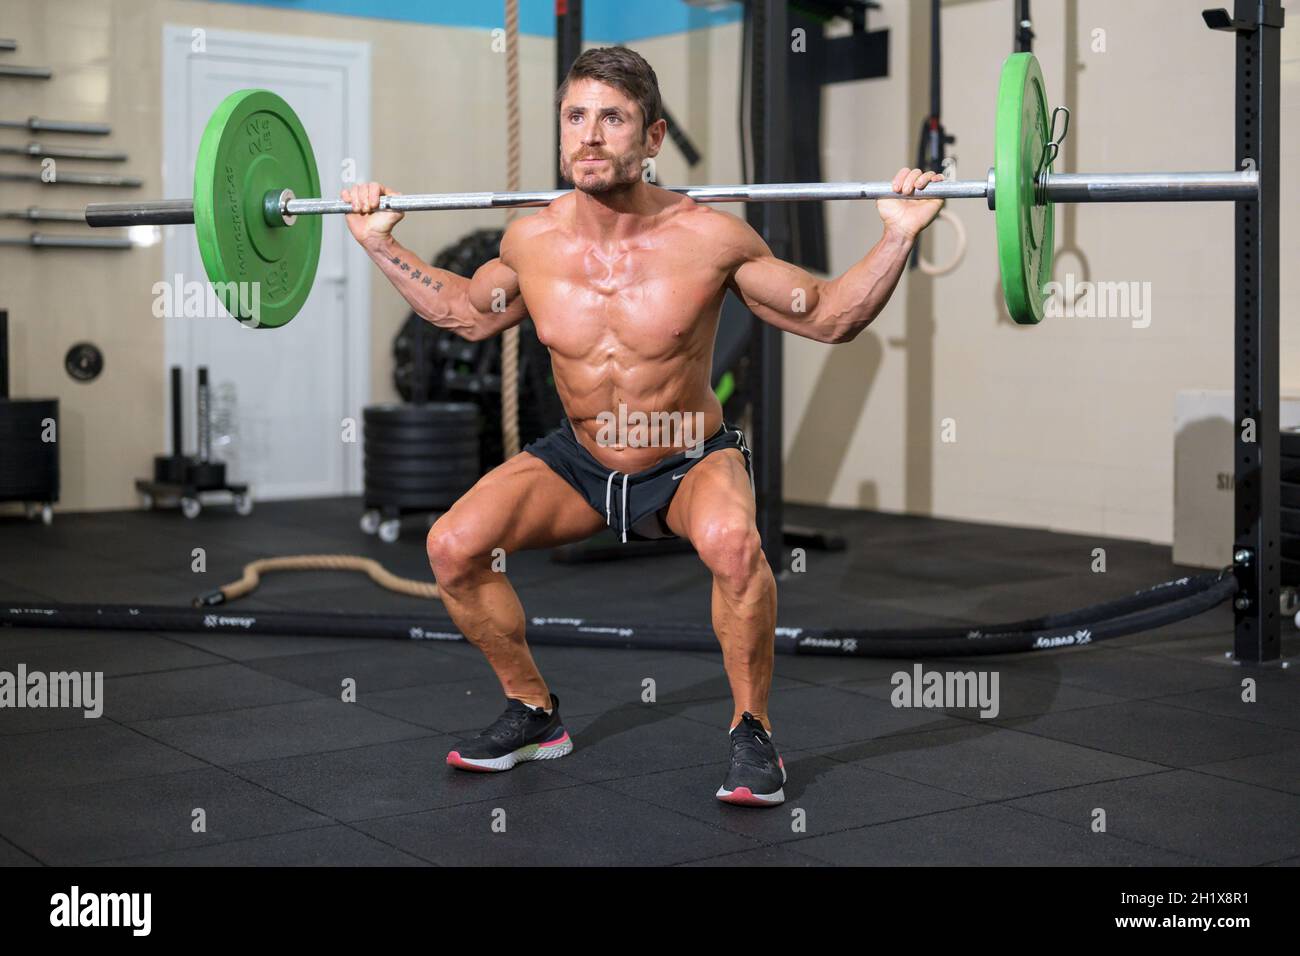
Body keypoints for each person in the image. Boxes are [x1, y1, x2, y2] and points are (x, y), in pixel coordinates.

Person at [340, 46, 943, 807]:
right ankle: (532, 711)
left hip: (688, 458)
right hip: (581, 460)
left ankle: (752, 731)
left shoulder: (711, 239)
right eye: (576, 116)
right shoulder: (531, 240)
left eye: (613, 118)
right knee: (452, 546)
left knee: (732, 545)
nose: (590, 135)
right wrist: (379, 242)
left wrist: (898, 232)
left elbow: (826, 317)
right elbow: (466, 315)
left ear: (653, 138)